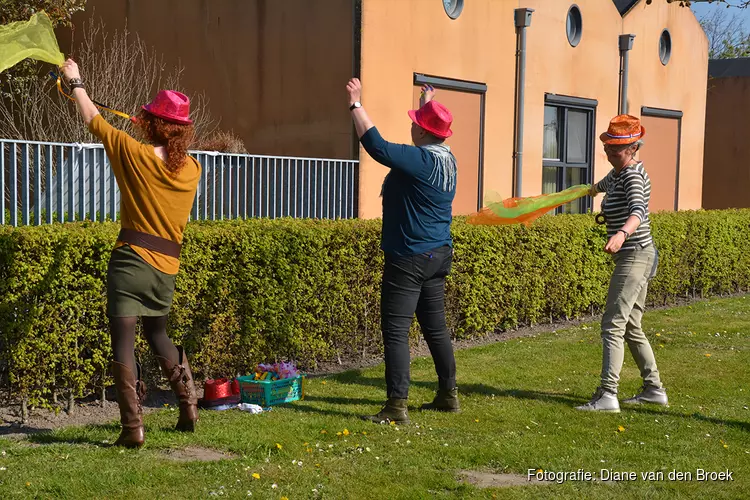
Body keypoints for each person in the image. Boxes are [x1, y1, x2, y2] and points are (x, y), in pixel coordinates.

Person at [60, 59, 202, 446]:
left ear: (151, 123)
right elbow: (165, 154)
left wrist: (76, 82)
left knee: (123, 340)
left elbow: (92, 117)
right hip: (166, 267)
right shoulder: (193, 170)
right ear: (184, 131)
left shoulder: (131, 151)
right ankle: (188, 406)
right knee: (159, 335)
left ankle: (132, 429)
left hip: (129, 261)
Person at [346, 78, 459, 424]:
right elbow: (411, 144)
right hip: (437, 253)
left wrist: (355, 104)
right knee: (435, 328)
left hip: (409, 255)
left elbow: (378, 147)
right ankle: (448, 395)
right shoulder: (446, 159)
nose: (411, 126)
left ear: (424, 133)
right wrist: (427, 102)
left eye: (416, 123)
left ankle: (396, 406)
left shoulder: (421, 162)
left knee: (395, 330)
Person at [576, 114, 667, 413]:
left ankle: (607, 394)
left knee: (613, 324)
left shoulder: (632, 175)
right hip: (639, 253)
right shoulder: (616, 174)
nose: (610, 153)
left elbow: (639, 209)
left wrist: (621, 233)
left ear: (633, 149)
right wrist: (575, 193)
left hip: (635, 252)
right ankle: (654, 389)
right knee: (630, 325)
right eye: (608, 148)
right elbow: (596, 187)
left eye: (616, 149)